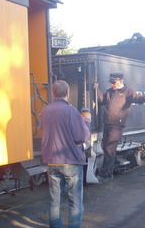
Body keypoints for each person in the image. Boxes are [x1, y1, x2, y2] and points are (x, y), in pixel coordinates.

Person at [40, 80, 90, 228]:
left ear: (52, 93)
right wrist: (86, 122)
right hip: (70, 161)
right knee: (75, 201)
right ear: (67, 93)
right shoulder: (71, 111)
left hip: (52, 161)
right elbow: (80, 137)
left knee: (54, 201)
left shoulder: (45, 111)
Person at [94, 73, 145, 182]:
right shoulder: (110, 92)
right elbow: (102, 101)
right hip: (107, 124)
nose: (112, 84)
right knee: (107, 149)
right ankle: (108, 173)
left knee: (110, 149)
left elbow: (137, 98)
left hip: (116, 126)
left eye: (113, 82)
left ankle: (105, 175)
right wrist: (96, 90)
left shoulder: (128, 92)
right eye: (111, 82)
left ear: (120, 81)